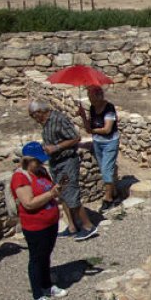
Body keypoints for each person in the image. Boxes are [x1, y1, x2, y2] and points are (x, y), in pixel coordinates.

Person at [11, 142, 69, 300]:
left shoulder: (41, 171)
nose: (41, 163)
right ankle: (37, 296)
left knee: (46, 255)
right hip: (35, 225)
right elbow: (28, 203)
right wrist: (51, 194)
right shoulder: (20, 177)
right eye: (37, 161)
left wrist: (57, 189)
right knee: (36, 259)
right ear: (28, 160)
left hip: (50, 222)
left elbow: (49, 190)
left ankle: (46, 285)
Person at [29, 100, 97, 241]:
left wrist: (57, 147)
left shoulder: (59, 119)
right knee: (61, 194)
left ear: (39, 112)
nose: (33, 119)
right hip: (56, 163)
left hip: (67, 162)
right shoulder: (46, 123)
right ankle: (72, 227)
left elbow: (75, 138)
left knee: (71, 193)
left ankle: (88, 226)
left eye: (33, 115)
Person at [77, 85, 120, 212]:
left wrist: (93, 131)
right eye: (89, 97)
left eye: (91, 97)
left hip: (110, 142)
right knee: (104, 169)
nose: (90, 99)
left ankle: (108, 199)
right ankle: (114, 193)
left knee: (106, 170)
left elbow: (107, 129)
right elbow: (88, 128)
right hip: (98, 142)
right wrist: (83, 116)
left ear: (99, 96)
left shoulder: (109, 108)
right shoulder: (92, 108)